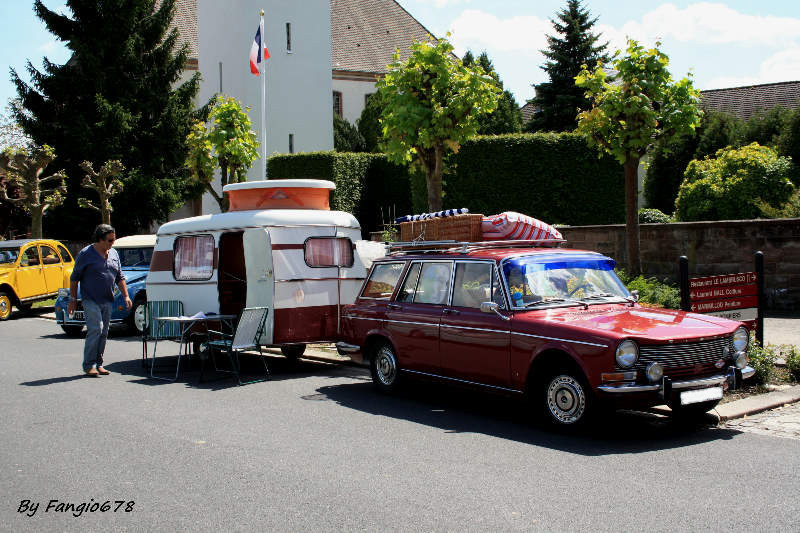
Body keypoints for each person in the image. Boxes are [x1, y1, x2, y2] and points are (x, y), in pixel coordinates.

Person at [68, 224, 131, 377]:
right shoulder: (86, 254)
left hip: (107, 300)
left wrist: (126, 296)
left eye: (113, 240)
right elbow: (74, 278)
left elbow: (119, 277)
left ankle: (99, 363)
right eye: (109, 240)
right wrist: (73, 299)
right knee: (96, 328)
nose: (112, 243)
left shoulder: (114, 254)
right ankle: (89, 365)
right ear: (100, 240)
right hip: (90, 299)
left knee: (104, 332)